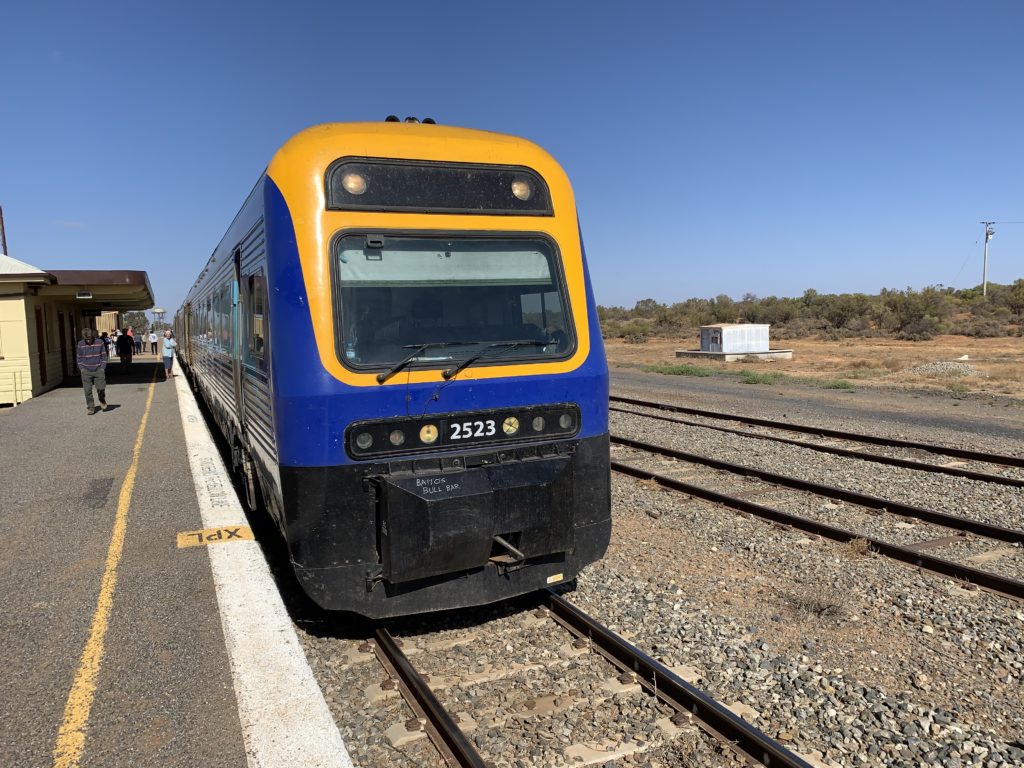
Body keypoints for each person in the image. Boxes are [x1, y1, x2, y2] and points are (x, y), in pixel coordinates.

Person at [76, 328, 108, 414]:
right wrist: (81, 368)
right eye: (87, 339)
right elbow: (79, 358)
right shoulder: (80, 344)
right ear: (84, 338)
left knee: (101, 388)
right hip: (86, 370)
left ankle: (102, 400)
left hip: (98, 370)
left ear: (92, 336)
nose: (89, 341)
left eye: (90, 339)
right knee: (87, 390)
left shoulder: (100, 342)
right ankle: (91, 407)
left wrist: (102, 368)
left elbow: (104, 356)